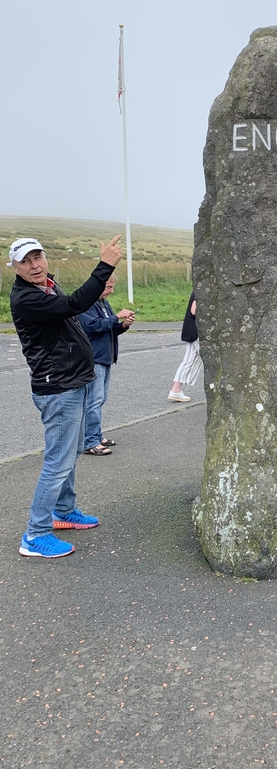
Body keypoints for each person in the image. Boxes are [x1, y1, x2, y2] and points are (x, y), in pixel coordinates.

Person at [9, 234, 123, 558]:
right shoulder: (27, 299)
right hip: (58, 389)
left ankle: (63, 510)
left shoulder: (47, 284)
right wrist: (105, 267)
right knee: (58, 461)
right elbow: (73, 305)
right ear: (14, 267)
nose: (34, 265)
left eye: (37, 257)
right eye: (25, 261)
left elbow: (73, 310)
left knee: (69, 453)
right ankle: (35, 535)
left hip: (74, 381)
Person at [77, 274, 135, 456]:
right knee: (93, 401)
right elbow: (93, 326)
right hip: (93, 359)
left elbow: (109, 329)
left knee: (99, 400)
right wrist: (117, 316)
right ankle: (89, 442)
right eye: (108, 287)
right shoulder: (86, 304)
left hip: (105, 357)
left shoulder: (103, 303)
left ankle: (96, 435)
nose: (111, 290)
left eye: (112, 287)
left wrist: (123, 325)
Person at [168, 292, 202, 402]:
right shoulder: (201, 289)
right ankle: (175, 390)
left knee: (189, 360)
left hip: (194, 331)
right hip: (197, 331)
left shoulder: (199, 287)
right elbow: (194, 310)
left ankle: (176, 390)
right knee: (211, 359)